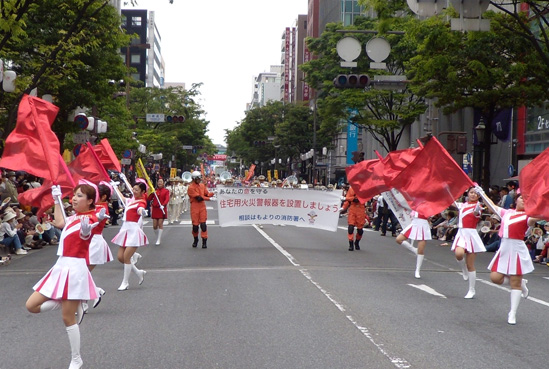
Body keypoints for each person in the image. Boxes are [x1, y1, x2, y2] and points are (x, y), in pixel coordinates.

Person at [25, 183, 99, 369]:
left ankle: (76, 359)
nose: (74, 198)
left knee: (68, 318)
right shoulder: (74, 217)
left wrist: (85, 232)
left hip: (75, 269)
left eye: (79, 196)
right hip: (60, 266)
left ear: (90, 201)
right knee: (31, 305)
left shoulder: (91, 218)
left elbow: (87, 233)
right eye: (74, 195)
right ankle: (69, 301)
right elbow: (60, 222)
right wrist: (57, 199)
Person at [476, 187, 539, 325]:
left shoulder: (528, 216)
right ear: (516, 200)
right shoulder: (507, 213)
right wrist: (481, 192)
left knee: (514, 283)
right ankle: (521, 283)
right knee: (495, 277)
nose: (524, 201)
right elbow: (492, 207)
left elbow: (536, 217)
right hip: (504, 248)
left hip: (517, 248)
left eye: (527, 199)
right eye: (522, 198)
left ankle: (512, 313)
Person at [110, 177, 148, 291]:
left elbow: (140, 209)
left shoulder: (141, 202)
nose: (134, 191)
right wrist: (115, 187)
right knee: (120, 257)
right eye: (134, 189)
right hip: (125, 229)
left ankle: (125, 282)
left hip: (134, 231)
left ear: (142, 192)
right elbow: (122, 198)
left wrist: (142, 212)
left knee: (126, 257)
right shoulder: (131, 200)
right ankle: (138, 272)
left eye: (137, 190)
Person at [450, 187, 486, 299]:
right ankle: (463, 269)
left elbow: (477, 212)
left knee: (471, 264)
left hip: (471, 234)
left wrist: (480, 201)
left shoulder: (479, 206)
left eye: (475, 193)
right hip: (461, 233)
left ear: (479, 195)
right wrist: (446, 189)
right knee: (459, 254)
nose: (473, 195)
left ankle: (471, 289)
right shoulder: (462, 205)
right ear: (468, 193)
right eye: (471, 193)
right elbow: (450, 201)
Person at [85, 182, 113, 310]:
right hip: (89, 240)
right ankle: (85, 301)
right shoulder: (96, 206)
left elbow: (93, 220)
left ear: (103, 197)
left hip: (94, 241)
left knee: (83, 273)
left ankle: (94, 293)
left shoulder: (101, 208)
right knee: (83, 273)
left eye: (97, 195)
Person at [395, 210, 431, 278]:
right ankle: (414, 249)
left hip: (423, 225)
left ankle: (417, 270)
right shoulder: (415, 202)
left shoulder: (429, 204)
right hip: (414, 223)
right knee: (398, 239)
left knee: (420, 250)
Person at [187, 171, 214, 248]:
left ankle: (204, 241)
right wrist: (209, 199)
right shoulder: (191, 188)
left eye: (200, 178)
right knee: (195, 226)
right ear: (194, 179)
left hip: (202, 207)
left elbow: (206, 194)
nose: (199, 180)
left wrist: (214, 193)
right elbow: (199, 198)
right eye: (198, 178)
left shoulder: (202, 186)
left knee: (203, 225)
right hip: (195, 206)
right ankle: (195, 239)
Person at [339, 185, 366, 251]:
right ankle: (351, 244)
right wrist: (343, 207)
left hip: (360, 210)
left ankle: (357, 242)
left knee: (360, 230)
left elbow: (358, 200)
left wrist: (346, 198)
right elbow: (348, 200)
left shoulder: (365, 189)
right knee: (350, 227)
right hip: (352, 209)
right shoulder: (351, 189)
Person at [148, 177, 169, 245]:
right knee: (154, 226)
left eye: (161, 182)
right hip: (155, 209)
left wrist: (163, 204)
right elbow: (149, 198)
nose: (159, 183)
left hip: (162, 208)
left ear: (163, 183)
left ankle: (159, 239)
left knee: (160, 224)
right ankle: (157, 237)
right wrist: (151, 192)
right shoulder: (155, 191)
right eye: (159, 182)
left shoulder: (166, 191)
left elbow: (167, 199)